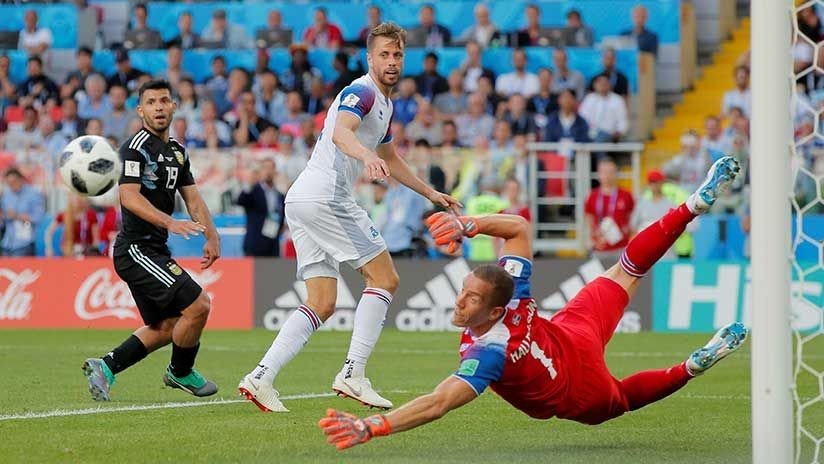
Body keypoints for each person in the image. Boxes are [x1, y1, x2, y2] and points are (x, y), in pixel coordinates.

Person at [318, 157, 748, 450]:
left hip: (579, 390)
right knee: (626, 270)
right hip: (571, 332)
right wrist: (467, 225)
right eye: (463, 290)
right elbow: (519, 229)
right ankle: (691, 205)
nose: (459, 301)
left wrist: (373, 426)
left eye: (470, 298)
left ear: (494, 312)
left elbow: (439, 401)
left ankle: (690, 367)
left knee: (620, 399)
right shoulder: (515, 290)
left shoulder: (490, 352)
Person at [238, 22, 460, 413]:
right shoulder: (363, 91)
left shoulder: (385, 105)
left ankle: (261, 376)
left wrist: (430, 193)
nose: (391, 62)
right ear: (370, 58)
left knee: (322, 301)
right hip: (327, 197)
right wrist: (366, 156)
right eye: (384, 55)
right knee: (385, 278)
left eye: (397, 55)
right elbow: (342, 132)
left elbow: (391, 158)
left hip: (303, 199)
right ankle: (353, 373)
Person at [81, 80, 221, 402]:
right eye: (151, 102)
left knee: (170, 325)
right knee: (199, 305)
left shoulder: (178, 152)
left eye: (164, 101)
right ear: (141, 110)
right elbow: (129, 197)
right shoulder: (134, 148)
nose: (158, 107)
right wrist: (170, 222)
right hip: (135, 249)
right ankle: (180, 371)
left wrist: (212, 235)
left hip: (154, 249)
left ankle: (105, 367)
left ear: (173, 107)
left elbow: (193, 199)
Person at [585, 157, 634, 256]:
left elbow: (632, 219)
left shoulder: (626, 195)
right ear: (599, 174)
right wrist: (592, 237)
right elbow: (589, 220)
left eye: (610, 172)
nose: (607, 175)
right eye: (604, 172)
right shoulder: (592, 196)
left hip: (621, 248)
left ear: (616, 173)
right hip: (599, 247)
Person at [237, 158, 286, 257]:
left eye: (271, 168)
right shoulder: (253, 191)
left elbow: (281, 215)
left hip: (272, 243)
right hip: (255, 243)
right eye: (265, 168)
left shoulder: (279, 195)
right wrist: (250, 183)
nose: (268, 171)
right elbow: (241, 201)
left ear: (275, 171)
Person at [0, 167, 45, 256]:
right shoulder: (6, 195)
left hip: (25, 244)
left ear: (21, 180)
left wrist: (17, 216)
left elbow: (38, 218)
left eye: (14, 182)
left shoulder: (33, 194)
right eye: (9, 183)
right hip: (7, 244)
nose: (11, 185)